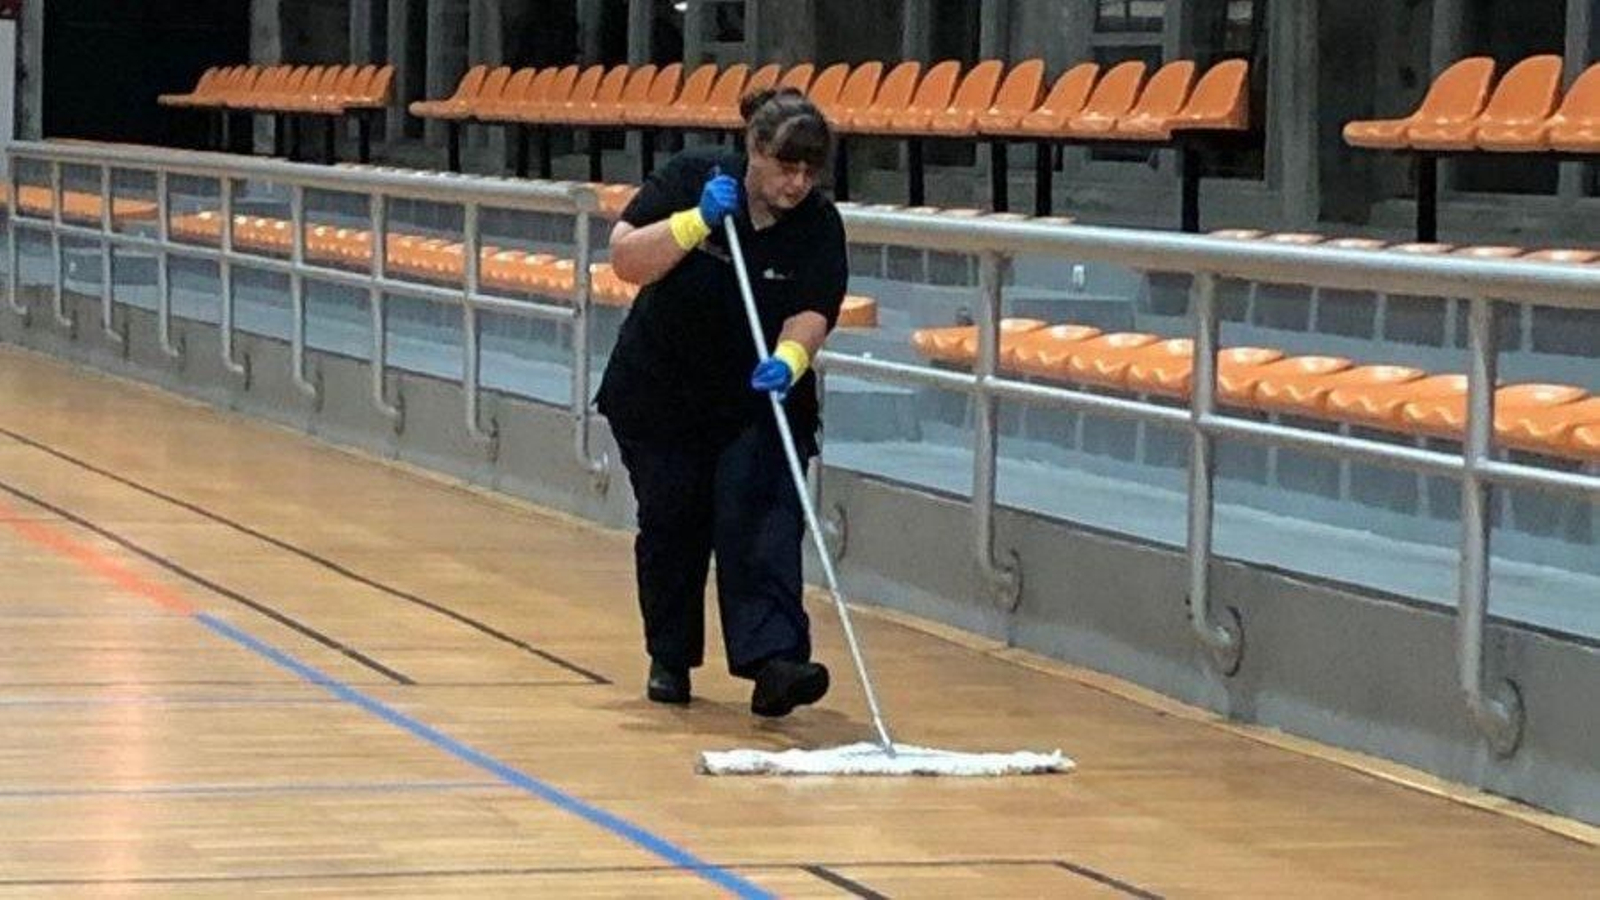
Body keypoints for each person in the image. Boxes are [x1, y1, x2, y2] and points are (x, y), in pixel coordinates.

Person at [596, 87, 848, 717]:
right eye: (786, 167)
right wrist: (696, 221)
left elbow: (814, 308)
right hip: (661, 391)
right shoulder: (691, 178)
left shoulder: (817, 223)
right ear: (753, 151)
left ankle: (775, 663)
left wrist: (789, 362)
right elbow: (627, 259)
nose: (797, 183)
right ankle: (670, 658)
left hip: (756, 397)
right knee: (673, 521)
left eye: (809, 171)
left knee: (762, 516)